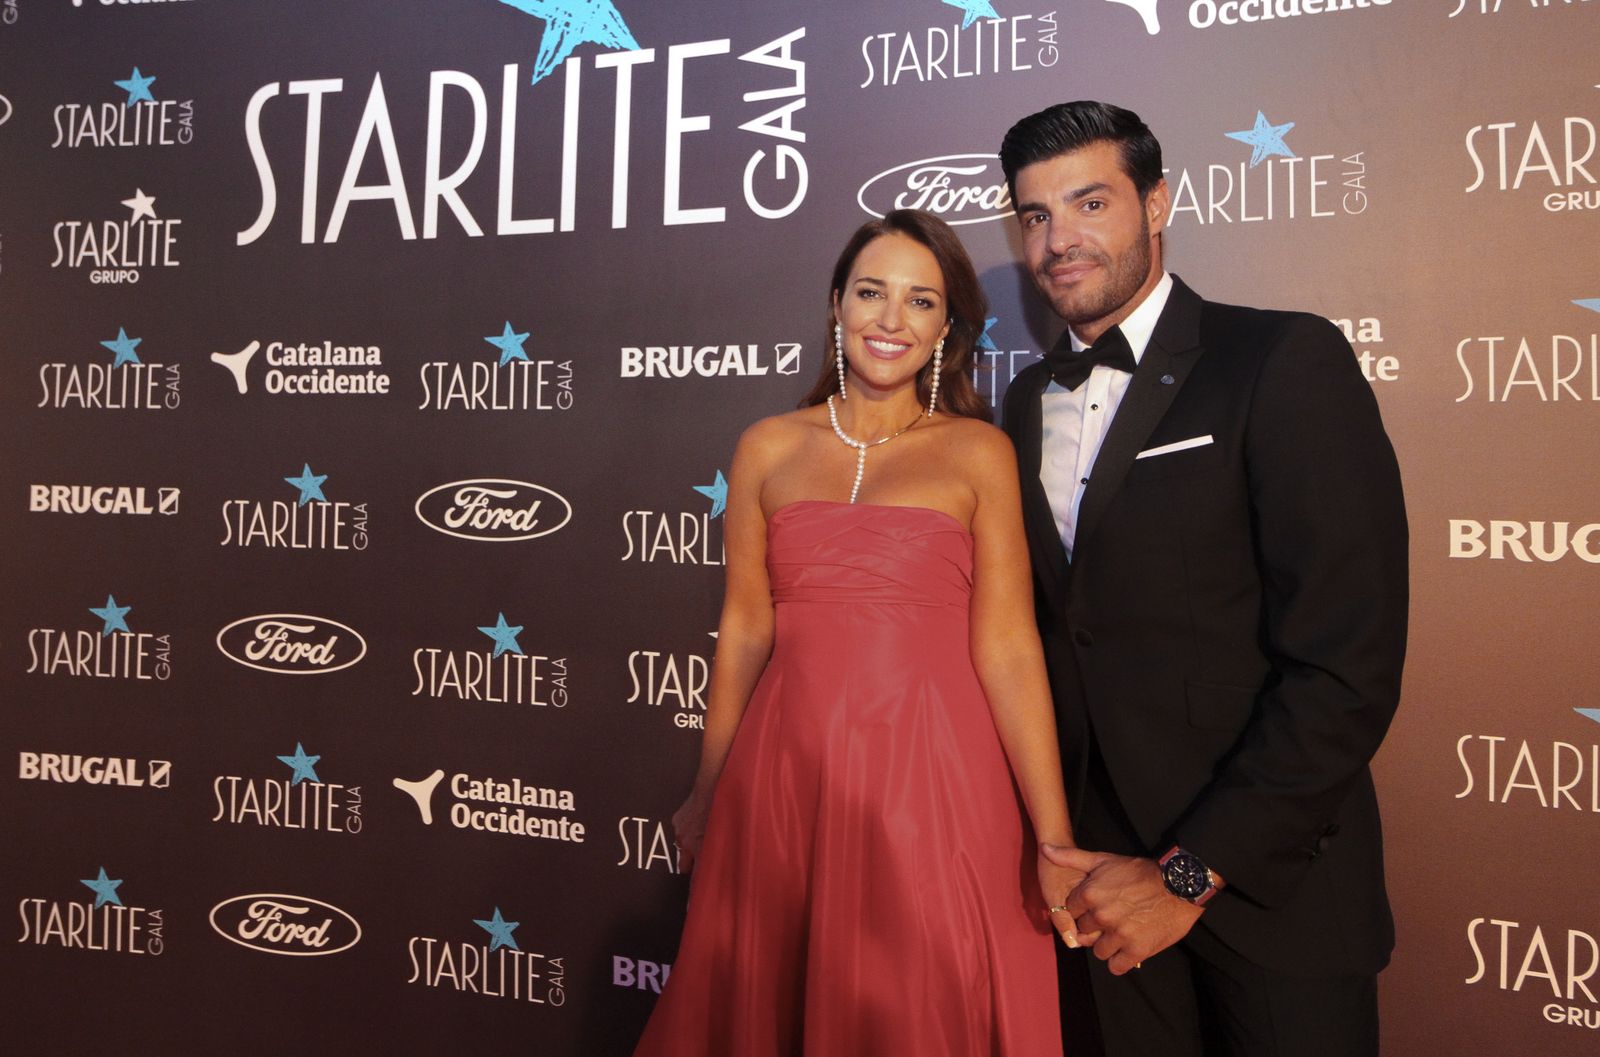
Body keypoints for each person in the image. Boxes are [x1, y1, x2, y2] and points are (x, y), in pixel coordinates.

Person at [996, 101, 1409, 1057]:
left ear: (1158, 203)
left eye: (1089, 201)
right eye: (1034, 216)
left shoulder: (1280, 359)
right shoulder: (1022, 402)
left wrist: (1186, 876)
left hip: (1271, 897)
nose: (1060, 240)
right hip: (1100, 900)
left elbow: (1346, 666)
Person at [634, 209, 1085, 1057]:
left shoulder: (977, 452)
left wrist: (1052, 833)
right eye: (872, 292)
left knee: (917, 1007)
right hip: (785, 776)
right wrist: (708, 786)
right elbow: (743, 629)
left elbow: (1010, 646)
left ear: (945, 326)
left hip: (936, 783)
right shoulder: (768, 446)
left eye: (920, 301)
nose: (890, 319)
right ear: (836, 304)